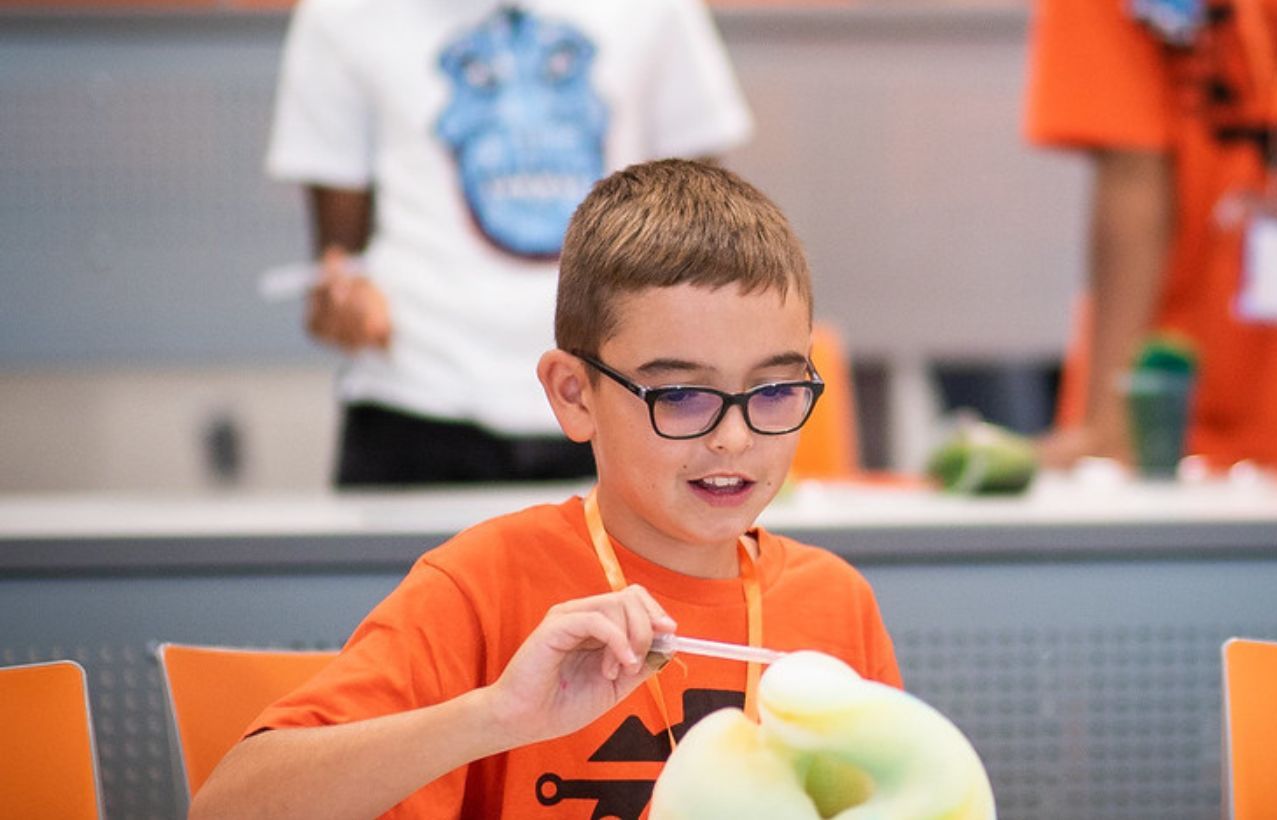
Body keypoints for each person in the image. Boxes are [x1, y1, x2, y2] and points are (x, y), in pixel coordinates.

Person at [190, 160, 902, 818]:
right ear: (573, 394)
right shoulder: (484, 585)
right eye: (682, 395)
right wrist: (496, 715)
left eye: (775, 389)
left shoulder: (836, 606)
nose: (734, 438)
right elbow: (225, 809)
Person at [267, 0, 753, 486]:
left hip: (617, 396)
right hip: (414, 403)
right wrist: (342, 302)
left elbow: (700, 224)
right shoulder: (340, 14)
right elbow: (339, 257)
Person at [1025, 0, 1277, 474]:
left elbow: (1134, 178)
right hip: (1185, 421)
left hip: (1166, 414)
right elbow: (1131, 173)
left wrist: (1110, 424)